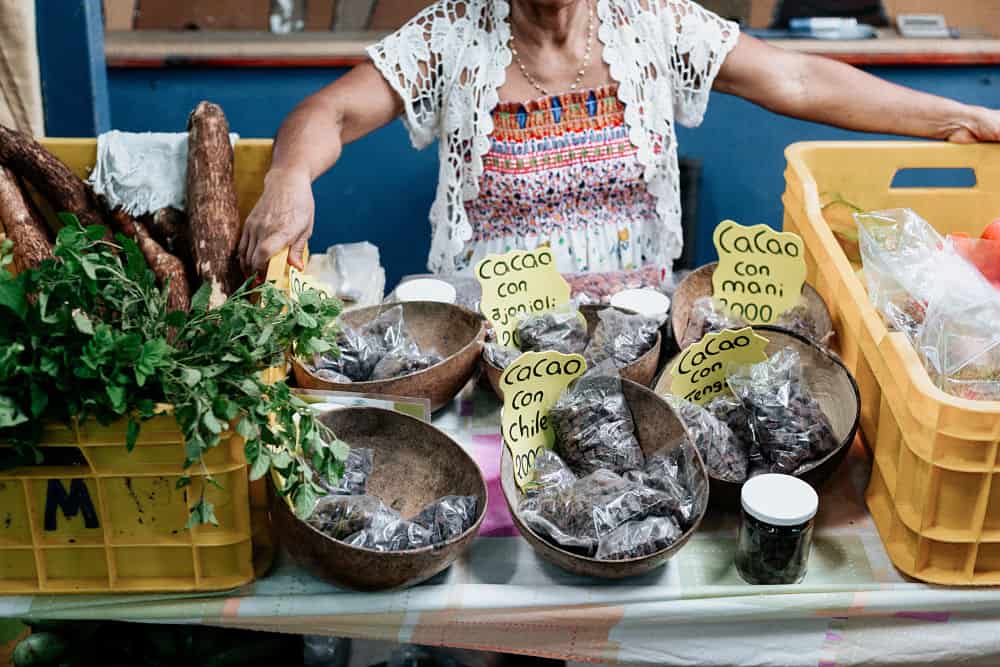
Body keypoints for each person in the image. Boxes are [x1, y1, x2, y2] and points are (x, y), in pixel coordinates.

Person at [239, 0, 1000, 275]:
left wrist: (956, 118)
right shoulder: (452, 34)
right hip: (494, 354)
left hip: (634, 350)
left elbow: (798, 81)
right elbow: (324, 114)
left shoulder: (653, 22)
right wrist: (288, 178)